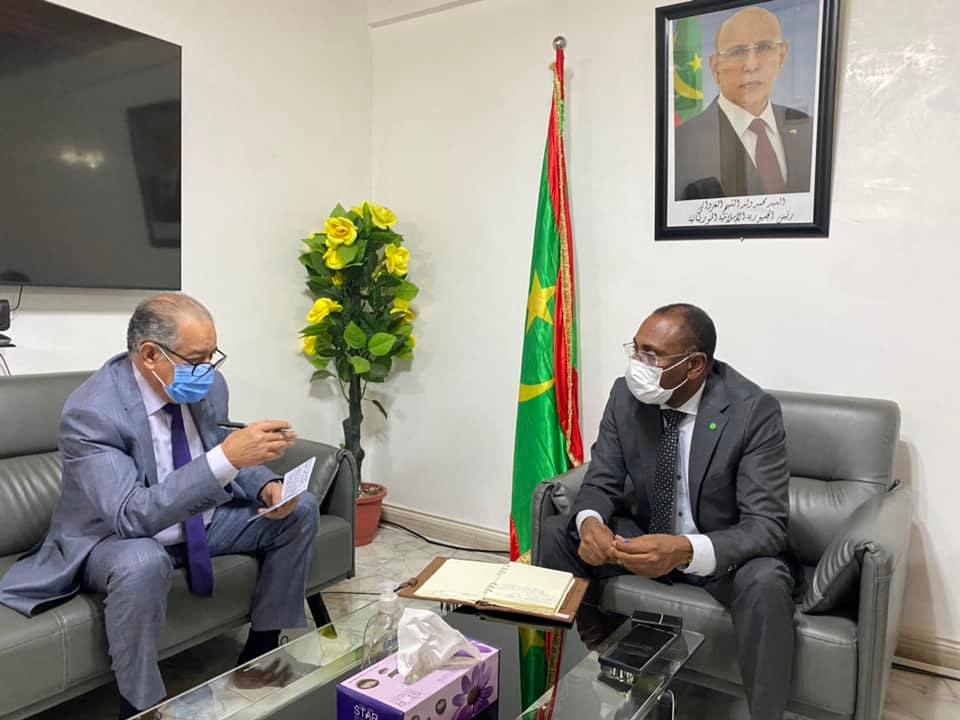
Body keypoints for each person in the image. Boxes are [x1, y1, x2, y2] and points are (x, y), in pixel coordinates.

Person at [0, 293, 320, 719]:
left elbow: (216, 445)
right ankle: (141, 705)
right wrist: (228, 457)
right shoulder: (92, 410)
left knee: (301, 509)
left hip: (198, 522)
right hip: (113, 538)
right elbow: (131, 514)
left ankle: (260, 652)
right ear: (150, 354)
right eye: (197, 359)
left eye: (213, 356)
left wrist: (266, 485)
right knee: (142, 561)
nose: (207, 370)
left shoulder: (208, 386)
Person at [539, 303, 798, 719]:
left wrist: (684, 549)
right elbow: (601, 481)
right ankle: (596, 658)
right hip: (644, 538)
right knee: (558, 532)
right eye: (635, 349)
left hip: (717, 552)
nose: (637, 365)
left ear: (694, 366)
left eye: (652, 355)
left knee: (767, 581)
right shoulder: (625, 396)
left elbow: (766, 526)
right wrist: (590, 524)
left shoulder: (752, 410)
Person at [675, 6, 814, 200]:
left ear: (782, 56)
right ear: (715, 67)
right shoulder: (681, 143)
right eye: (737, 52)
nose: (751, 65)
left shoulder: (810, 131)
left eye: (764, 47)